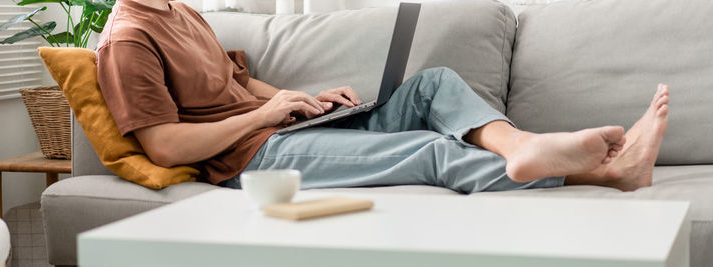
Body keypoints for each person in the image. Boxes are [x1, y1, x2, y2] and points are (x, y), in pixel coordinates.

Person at [96, 0, 669, 193]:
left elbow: (239, 83)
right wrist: (269, 116)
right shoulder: (128, 39)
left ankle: (523, 146)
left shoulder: (182, 11)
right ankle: (607, 174)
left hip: (286, 128)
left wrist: (304, 99)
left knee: (433, 84)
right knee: (425, 148)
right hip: (254, 158)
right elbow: (166, 146)